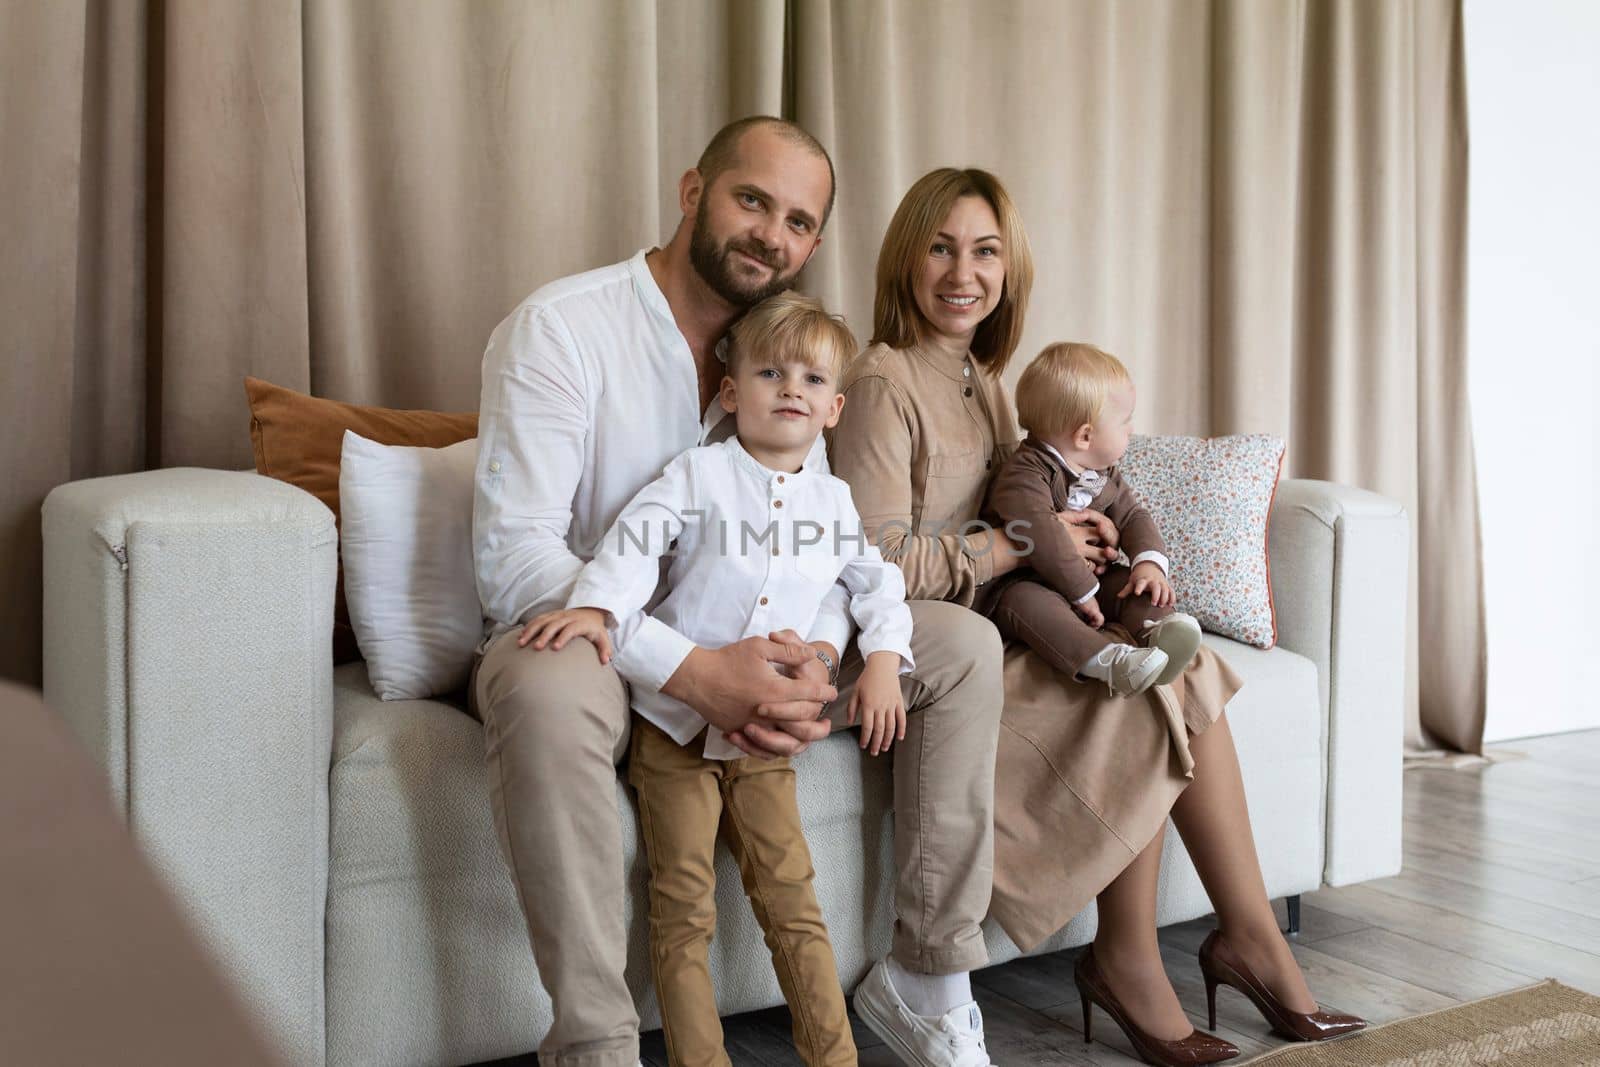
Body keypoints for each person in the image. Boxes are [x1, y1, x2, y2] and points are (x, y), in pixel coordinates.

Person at [472, 118, 1004, 1067]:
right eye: (751, 199)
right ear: (693, 192)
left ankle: (927, 978)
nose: (772, 234)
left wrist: (822, 656)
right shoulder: (563, 328)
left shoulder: (797, 356)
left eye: (799, 221)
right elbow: (516, 559)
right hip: (608, 640)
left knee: (960, 645)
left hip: (772, 649)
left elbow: (828, 540)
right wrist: (694, 671)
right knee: (543, 680)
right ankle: (596, 1045)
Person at [830, 167, 1365, 1067]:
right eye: (941, 246)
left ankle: (1249, 934)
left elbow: (1043, 493)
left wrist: (1099, 553)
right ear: (904, 258)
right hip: (931, 637)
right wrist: (1013, 547)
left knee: (1180, 661)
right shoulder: (883, 383)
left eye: (986, 250)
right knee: (1135, 690)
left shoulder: (988, 380)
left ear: (1009, 268)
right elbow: (877, 560)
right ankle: (1128, 961)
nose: (964, 271)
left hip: (1007, 619)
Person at [516, 292, 909, 1067]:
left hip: (766, 740)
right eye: (769, 371)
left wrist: (887, 662)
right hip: (674, 727)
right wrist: (596, 607)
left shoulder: (833, 503)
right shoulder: (696, 474)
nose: (789, 387)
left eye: (809, 378)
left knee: (794, 901)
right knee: (680, 907)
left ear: (833, 408)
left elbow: (878, 586)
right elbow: (633, 545)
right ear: (732, 393)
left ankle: (835, 1057)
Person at [984, 342, 1204, 695]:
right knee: (1028, 604)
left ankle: (1159, 633)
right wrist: (1083, 592)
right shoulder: (1023, 474)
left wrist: (1148, 564)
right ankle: (1108, 662)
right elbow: (1043, 533)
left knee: (1132, 586)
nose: (1131, 430)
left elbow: (1133, 514)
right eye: (1125, 421)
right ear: (1085, 435)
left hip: (1088, 580)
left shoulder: (1104, 473)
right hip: (1023, 582)